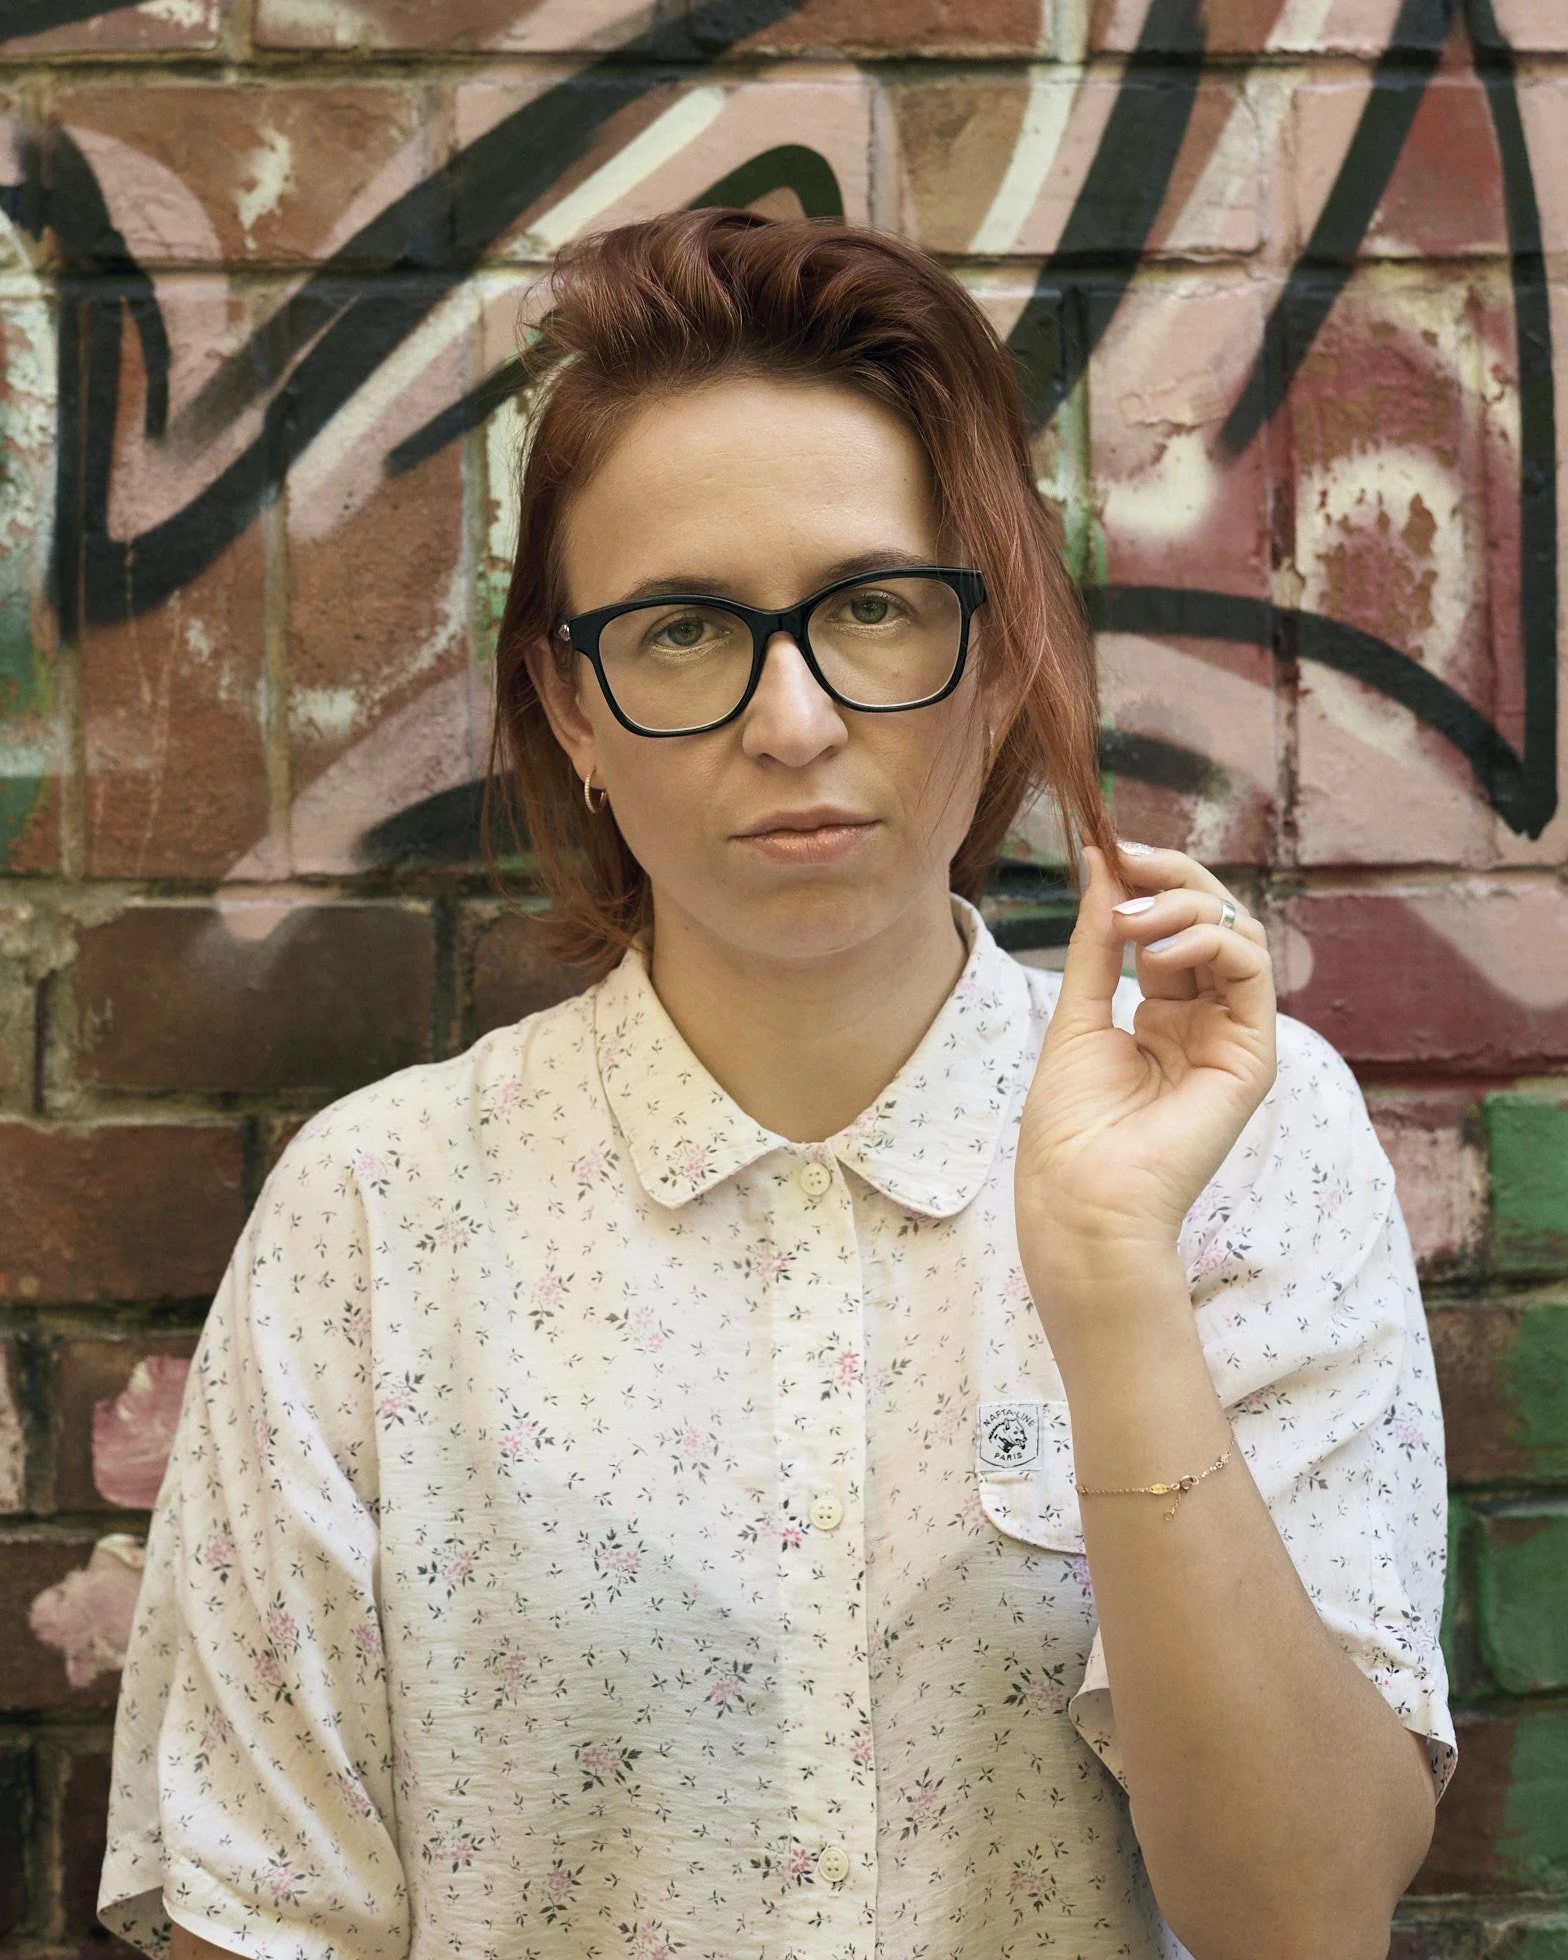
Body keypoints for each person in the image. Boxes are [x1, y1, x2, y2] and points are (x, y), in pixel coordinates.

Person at [99, 210, 1453, 1960]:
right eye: (681, 632)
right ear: (571, 712)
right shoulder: (377, 1220)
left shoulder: (1251, 1149)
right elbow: (262, 1921)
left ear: (997, 655)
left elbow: (1306, 1918)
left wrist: (1115, 1294)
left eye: (874, 610)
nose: (795, 719)